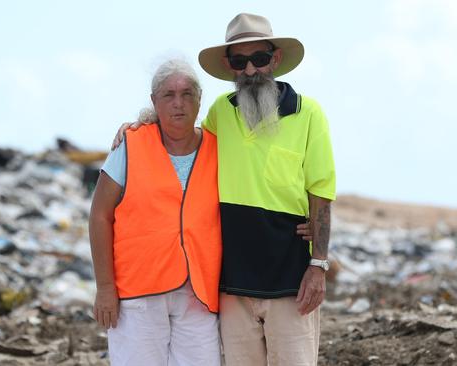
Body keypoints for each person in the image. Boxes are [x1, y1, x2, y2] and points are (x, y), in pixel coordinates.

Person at [113, 13, 336, 366]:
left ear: (275, 60)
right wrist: (144, 120)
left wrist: (318, 265)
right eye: (240, 61)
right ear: (230, 66)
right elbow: (183, 132)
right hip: (231, 288)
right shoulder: (220, 113)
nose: (250, 70)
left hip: (292, 283)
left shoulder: (309, 114)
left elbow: (321, 194)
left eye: (259, 59)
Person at [89, 59, 223, 366]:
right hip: (138, 294)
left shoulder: (218, 149)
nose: (179, 103)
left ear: (199, 100)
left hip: (199, 294)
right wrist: (105, 288)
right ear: (154, 101)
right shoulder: (131, 145)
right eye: (169, 95)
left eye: (187, 94)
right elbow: (99, 216)